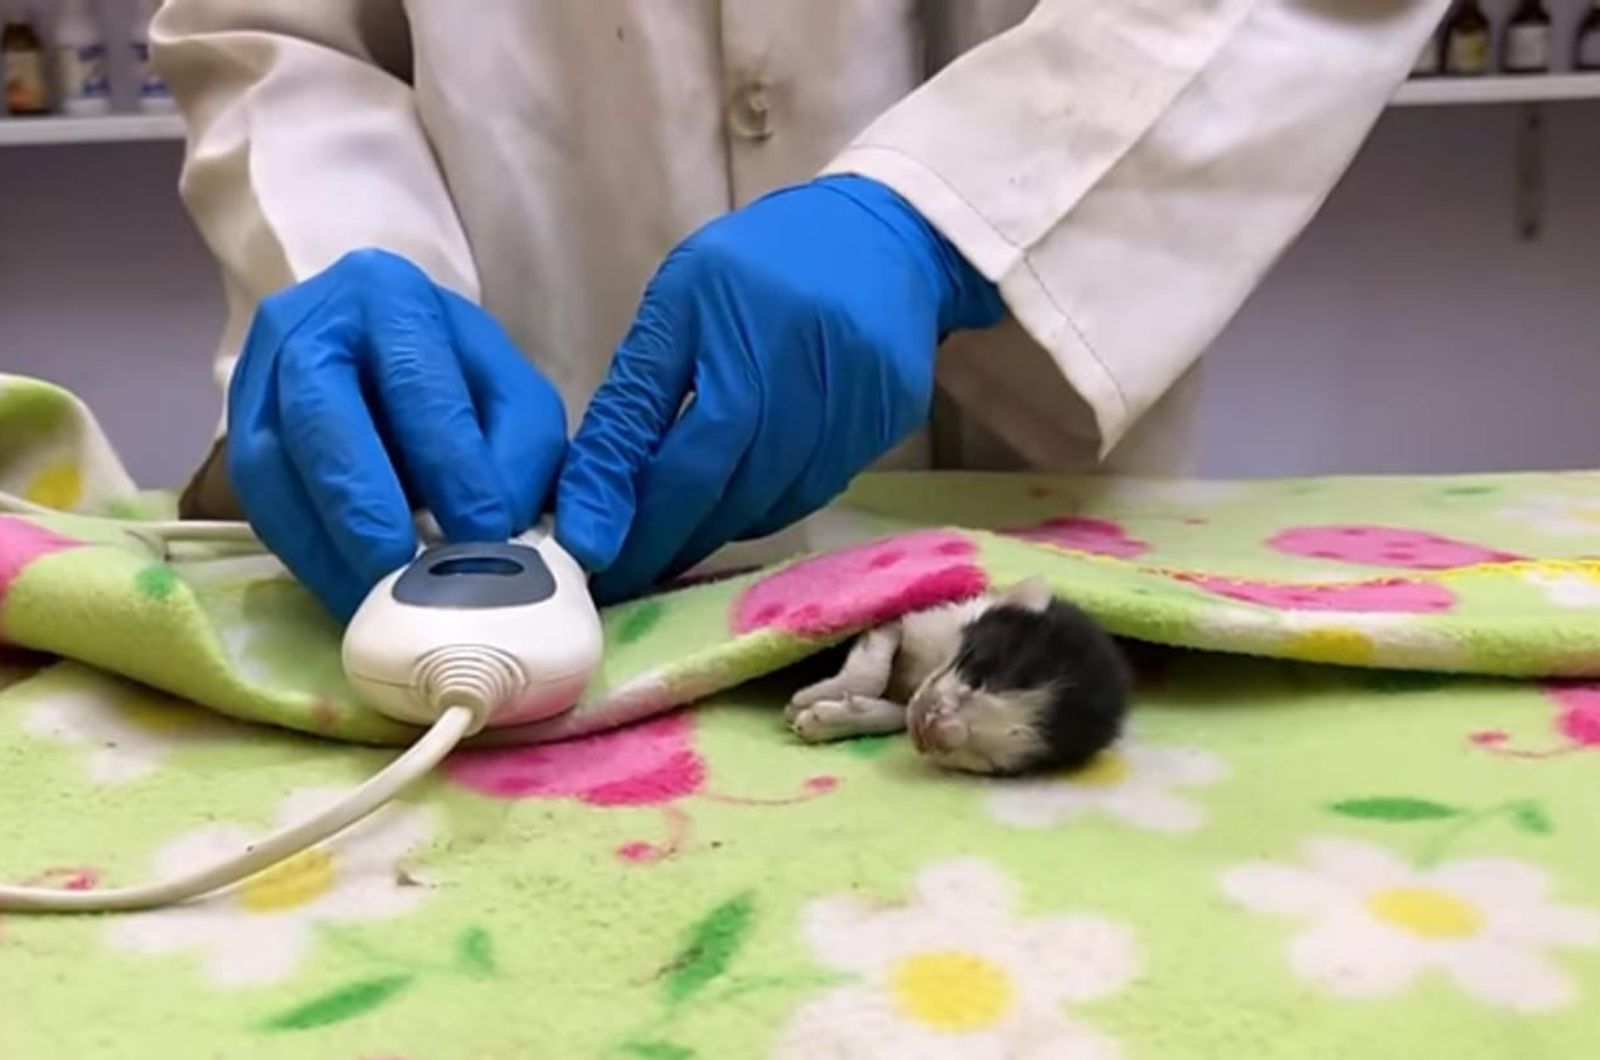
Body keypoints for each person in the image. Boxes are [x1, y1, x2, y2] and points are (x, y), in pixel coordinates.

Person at [154, 0, 1445, 619]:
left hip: (1019, 469)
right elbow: (281, 33)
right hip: (500, 463)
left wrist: (949, 220)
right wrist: (343, 250)